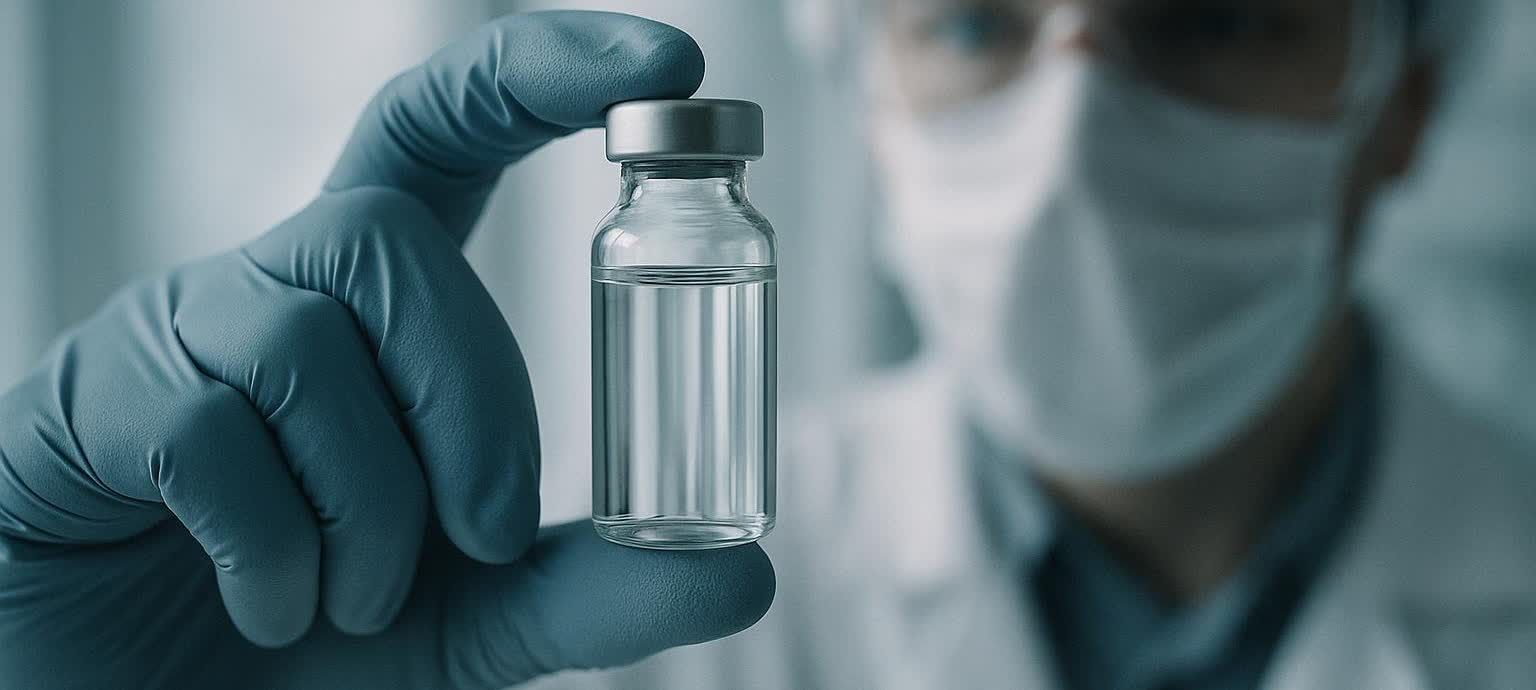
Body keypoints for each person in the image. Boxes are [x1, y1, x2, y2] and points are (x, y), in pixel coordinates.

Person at [0, 1, 1530, 689]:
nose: (1075, 133)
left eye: (1210, 19)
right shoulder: (612, 622)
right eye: (981, 24)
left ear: (1401, 99)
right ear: (862, 82)